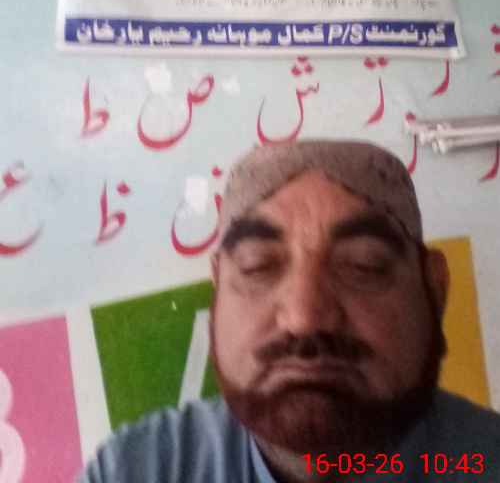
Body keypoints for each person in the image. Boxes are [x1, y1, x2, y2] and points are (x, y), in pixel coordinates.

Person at [78, 140, 500, 482]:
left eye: (363, 266)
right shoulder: (135, 471)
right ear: (218, 289)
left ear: (434, 288)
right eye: (257, 266)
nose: (304, 317)